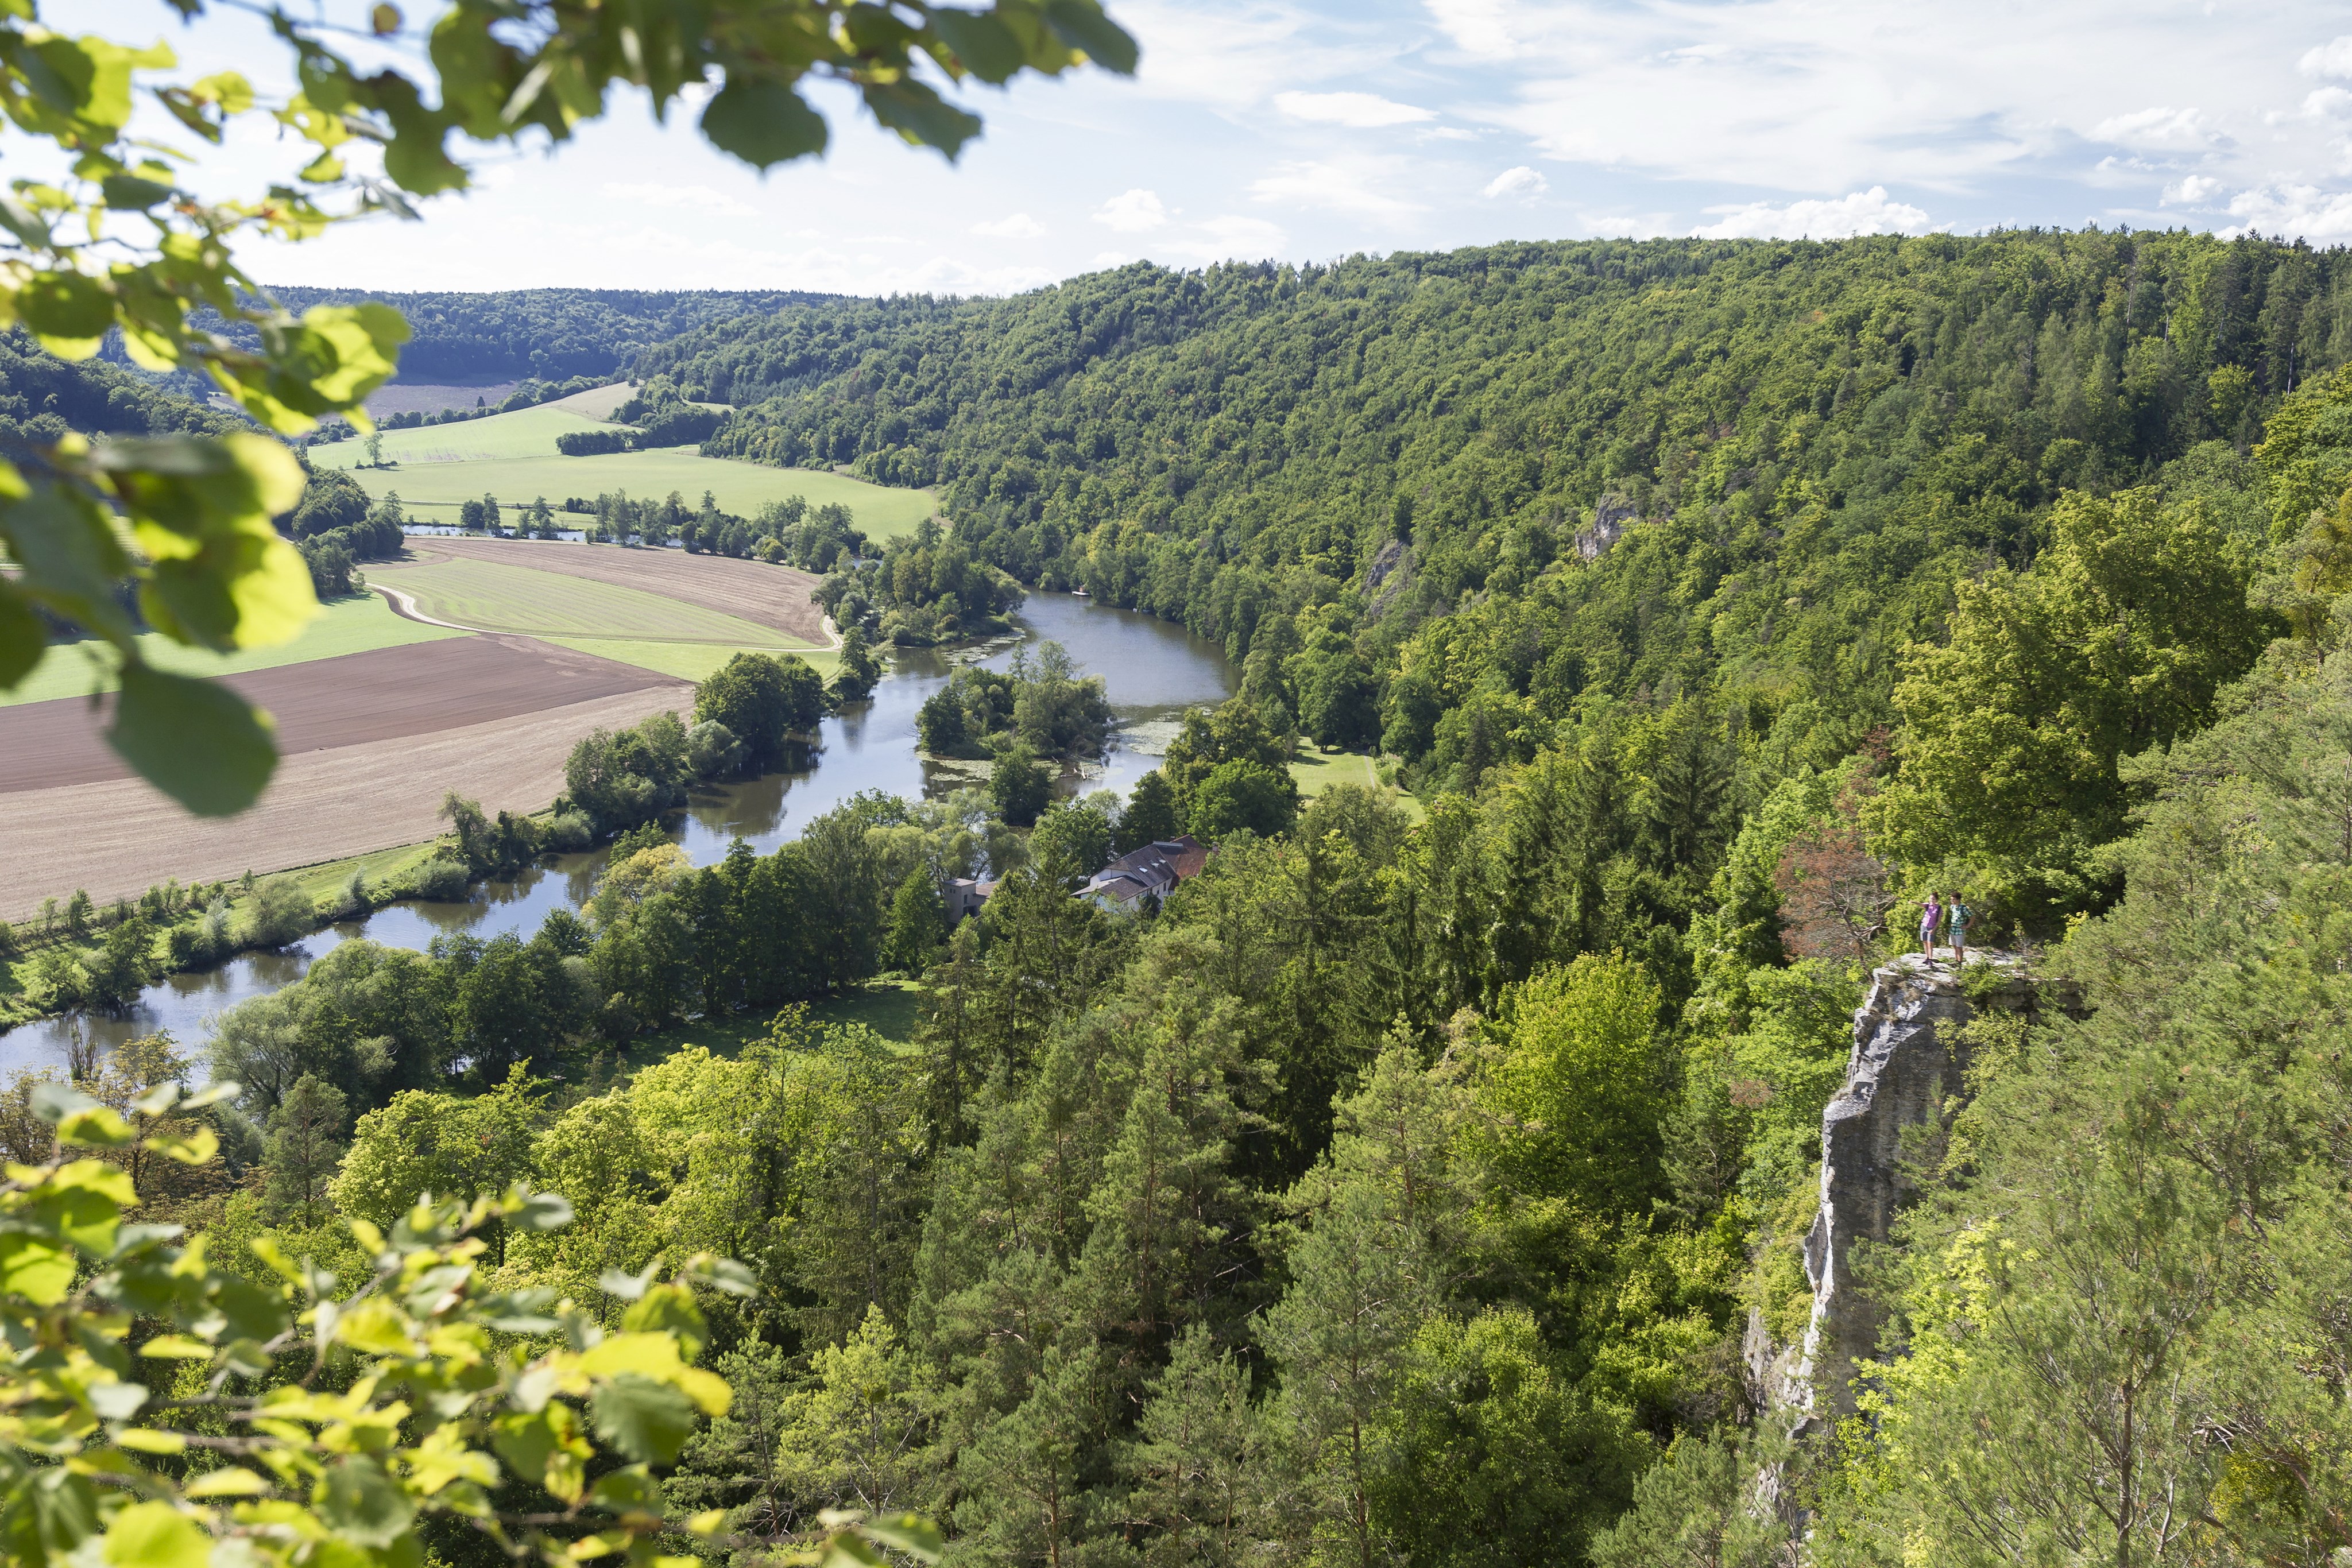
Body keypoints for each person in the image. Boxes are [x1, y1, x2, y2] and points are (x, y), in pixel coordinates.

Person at [1947, 893, 1974, 963]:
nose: (1952, 900)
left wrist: (1967, 926)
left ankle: (1960, 963)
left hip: (1960, 930)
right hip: (1953, 930)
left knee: (1959, 947)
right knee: (1955, 946)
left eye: (1954, 899)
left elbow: (1972, 917)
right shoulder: (1952, 907)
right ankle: (1956, 961)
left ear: (1958, 900)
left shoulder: (1963, 908)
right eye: (1951, 899)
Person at [1917, 891, 1942, 963]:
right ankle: (1927, 957)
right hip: (1924, 925)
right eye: (1931, 899)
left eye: (1933, 899)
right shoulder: (1928, 906)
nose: (1932, 900)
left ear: (1936, 900)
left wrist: (1934, 929)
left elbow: (1939, 921)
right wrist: (1913, 902)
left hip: (1932, 927)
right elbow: (1921, 905)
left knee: (1930, 943)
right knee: (1925, 942)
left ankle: (1930, 959)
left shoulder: (1939, 908)